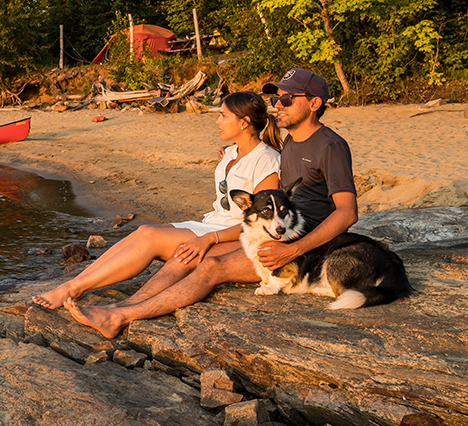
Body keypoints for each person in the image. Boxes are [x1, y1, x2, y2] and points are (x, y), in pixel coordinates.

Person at [64, 68, 359, 338]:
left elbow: (347, 213)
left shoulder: (330, 146)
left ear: (314, 103)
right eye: (276, 99)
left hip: (303, 246)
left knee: (210, 267)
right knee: (186, 255)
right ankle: (122, 307)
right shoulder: (291, 141)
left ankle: (120, 317)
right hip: (277, 232)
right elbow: (263, 168)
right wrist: (231, 156)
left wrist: (292, 249)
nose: (277, 105)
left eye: (286, 99)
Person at [32, 91, 282, 310]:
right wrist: (228, 160)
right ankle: (74, 283)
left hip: (232, 236)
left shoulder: (266, 161)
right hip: (212, 223)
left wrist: (209, 239)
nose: (217, 121)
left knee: (151, 236)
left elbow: (262, 223)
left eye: (224, 116)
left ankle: (73, 289)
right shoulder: (230, 153)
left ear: (245, 122)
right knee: (142, 230)